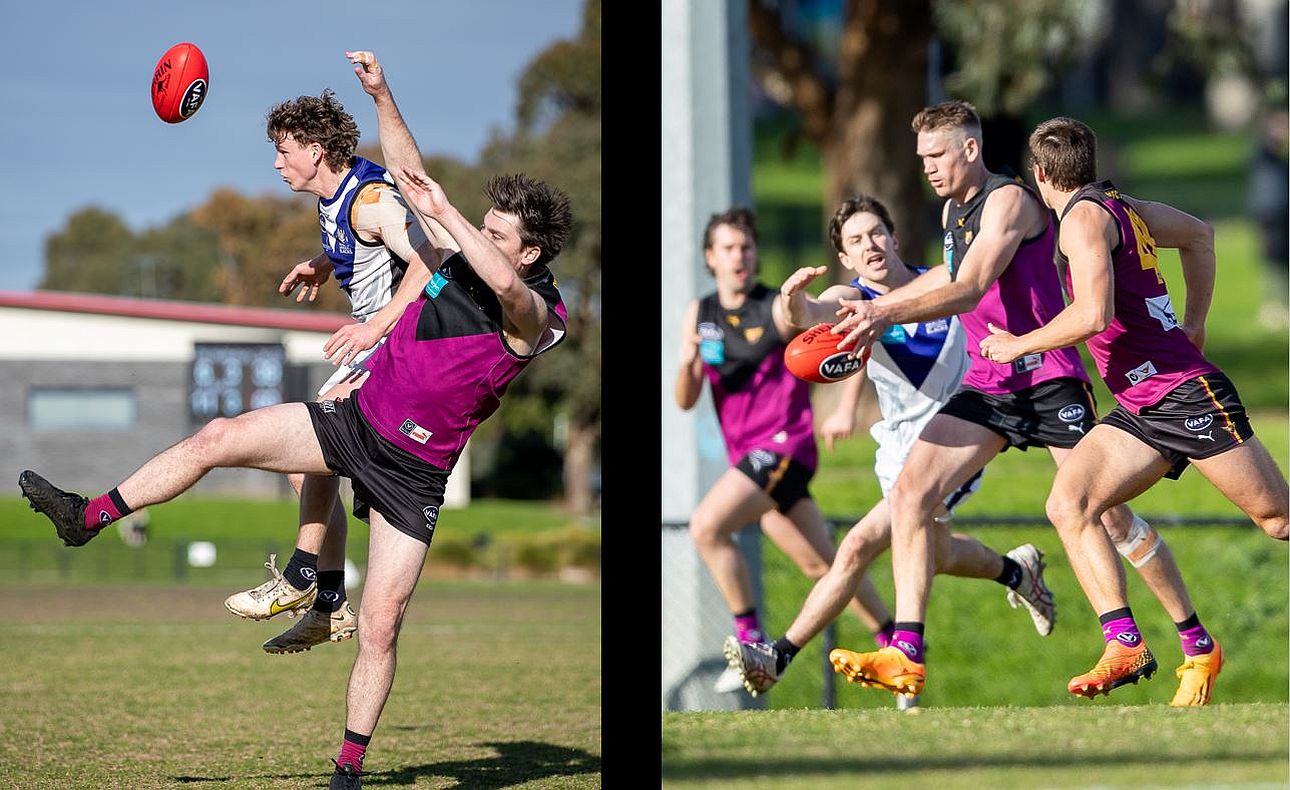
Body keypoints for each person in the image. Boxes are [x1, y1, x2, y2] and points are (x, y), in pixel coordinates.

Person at [20, 50, 572, 790]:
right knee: (218, 438)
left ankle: (347, 766)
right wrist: (383, 95)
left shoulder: (538, 314)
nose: (484, 237)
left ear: (531, 252)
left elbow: (502, 281)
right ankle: (89, 515)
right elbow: (409, 173)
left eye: (498, 233)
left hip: (414, 475)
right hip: (355, 421)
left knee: (381, 627)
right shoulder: (464, 256)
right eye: (485, 227)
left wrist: (440, 223)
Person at [825, 100, 1223, 706]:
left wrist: (882, 311)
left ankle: (1194, 641)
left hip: (1048, 378)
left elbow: (969, 287)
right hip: (990, 385)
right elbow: (941, 276)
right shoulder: (952, 209)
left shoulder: (1008, 200)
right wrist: (867, 306)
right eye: (922, 157)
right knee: (911, 493)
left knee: (1109, 517)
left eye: (937, 155)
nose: (928, 167)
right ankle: (906, 652)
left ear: (970, 149)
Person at [977, 115, 1289, 697]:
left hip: (1182, 391)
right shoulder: (1122, 206)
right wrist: (1194, 320)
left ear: (1040, 175)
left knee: (1278, 520)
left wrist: (1018, 344)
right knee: (1069, 503)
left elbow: (1093, 313)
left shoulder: (1081, 221)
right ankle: (1125, 642)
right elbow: (1200, 234)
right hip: (1140, 404)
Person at [724, 195, 1057, 706]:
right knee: (935, 552)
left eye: (876, 232)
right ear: (847, 260)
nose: (869, 244)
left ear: (895, 237)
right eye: (855, 241)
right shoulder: (851, 299)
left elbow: (982, 292)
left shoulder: (944, 283)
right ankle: (1017, 572)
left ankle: (787, 656)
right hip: (896, 451)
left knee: (856, 546)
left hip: (957, 443)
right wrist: (793, 300)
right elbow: (808, 315)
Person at [221, 89, 439, 657]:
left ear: (315, 151)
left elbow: (430, 258)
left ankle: (301, 577)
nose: (276, 162)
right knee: (306, 468)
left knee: (323, 433)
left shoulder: (369, 200)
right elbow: (362, 247)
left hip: (403, 346)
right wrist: (322, 263)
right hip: (381, 344)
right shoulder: (338, 195)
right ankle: (330, 604)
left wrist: (375, 327)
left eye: (283, 149)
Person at [675, 206, 904, 695]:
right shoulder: (701, 314)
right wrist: (688, 361)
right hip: (751, 459)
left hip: (784, 446)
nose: (740, 256)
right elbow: (685, 400)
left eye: (747, 247)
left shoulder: (775, 308)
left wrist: (844, 405)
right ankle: (896, 647)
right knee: (825, 566)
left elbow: (845, 336)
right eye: (729, 248)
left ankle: (751, 641)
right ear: (710, 258)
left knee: (707, 526)